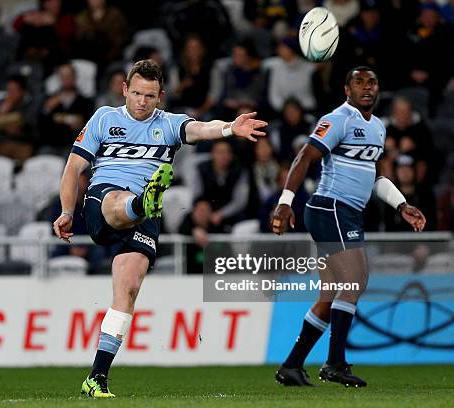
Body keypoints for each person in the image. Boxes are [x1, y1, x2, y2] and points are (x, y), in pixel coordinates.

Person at [53, 59, 267, 398]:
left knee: (129, 287)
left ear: (161, 96)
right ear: (124, 89)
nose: (141, 101)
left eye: (149, 96)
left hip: (144, 219)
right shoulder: (104, 119)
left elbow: (198, 129)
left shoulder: (168, 124)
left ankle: (96, 378)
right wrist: (66, 211)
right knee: (118, 200)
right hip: (102, 203)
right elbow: (73, 166)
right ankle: (140, 203)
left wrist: (229, 128)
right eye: (136, 93)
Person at [270, 67, 426, 387]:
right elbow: (304, 157)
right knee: (356, 280)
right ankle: (335, 363)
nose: (367, 87)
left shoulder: (379, 127)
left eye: (372, 82)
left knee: (331, 294)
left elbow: (377, 176)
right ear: (347, 89)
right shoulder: (338, 119)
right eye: (359, 82)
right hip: (331, 208)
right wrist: (286, 202)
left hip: (347, 214)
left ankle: (291, 366)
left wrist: (402, 204)